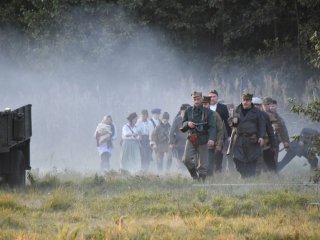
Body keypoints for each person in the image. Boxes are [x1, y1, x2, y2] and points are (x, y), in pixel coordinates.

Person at [180, 91, 216, 182]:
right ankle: (194, 176)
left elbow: (212, 127)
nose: (196, 101)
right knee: (186, 159)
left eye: (198, 99)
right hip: (191, 138)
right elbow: (183, 124)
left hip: (203, 138)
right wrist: (188, 124)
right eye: (194, 99)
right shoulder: (188, 111)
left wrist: (211, 139)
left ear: (201, 99)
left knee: (203, 164)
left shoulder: (209, 112)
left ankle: (201, 182)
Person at [229, 93, 265, 178]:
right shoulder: (237, 110)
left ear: (250, 101)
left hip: (252, 139)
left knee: (251, 160)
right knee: (236, 158)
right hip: (239, 139)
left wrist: (261, 137)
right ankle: (244, 175)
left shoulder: (257, 112)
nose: (245, 102)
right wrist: (234, 122)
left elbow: (262, 125)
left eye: (247, 100)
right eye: (244, 100)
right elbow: (230, 123)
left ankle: (250, 178)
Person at [208, 89, 232, 172]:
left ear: (217, 97)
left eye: (214, 96)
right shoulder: (205, 106)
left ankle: (218, 170)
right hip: (207, 134)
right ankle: (208, 171)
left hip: (219, 134)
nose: (212, 98)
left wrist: (229, 135)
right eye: (210, 96)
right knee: (207, 153)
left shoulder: (223, 107)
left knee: (218, 152)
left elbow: (227, 121)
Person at [252, 97, 277, 173]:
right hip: (251, 143)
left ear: (260, 106)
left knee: (270, 161)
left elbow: (270, 131)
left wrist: (273, 144)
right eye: (254, 105)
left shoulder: (265, 116)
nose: (256, 107)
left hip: (265, 144)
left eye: (258, 105)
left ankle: (274, 177)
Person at [262, 97, 290, 164]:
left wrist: (285, 141)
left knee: (273, 160)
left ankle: (273, 173)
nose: (271, 107)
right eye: (268, 105)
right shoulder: (262, 115)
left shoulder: (278, 118)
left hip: (274, 142)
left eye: (272, 105)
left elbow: (283, 130)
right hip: (265, 143)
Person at [202, 96, 224, 176]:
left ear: (209, 104)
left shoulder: (215, 115)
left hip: (210, 143)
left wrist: (218, 143)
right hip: (200, 143)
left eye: (206, 104)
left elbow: (220, 130)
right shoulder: (197, 114)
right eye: (203, 104)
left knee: (209, 163)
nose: (204, 106)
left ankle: (209, 178)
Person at [169, 104, 190, 172]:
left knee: (187, 159)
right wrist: (171, 143)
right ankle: (181, 173)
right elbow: (171, 132)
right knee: (180, 160)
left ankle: (186, 172)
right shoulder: (177, 120)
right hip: (179, 144)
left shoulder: (190, 119)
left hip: (188, 143)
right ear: (181, 111)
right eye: (184, 111)